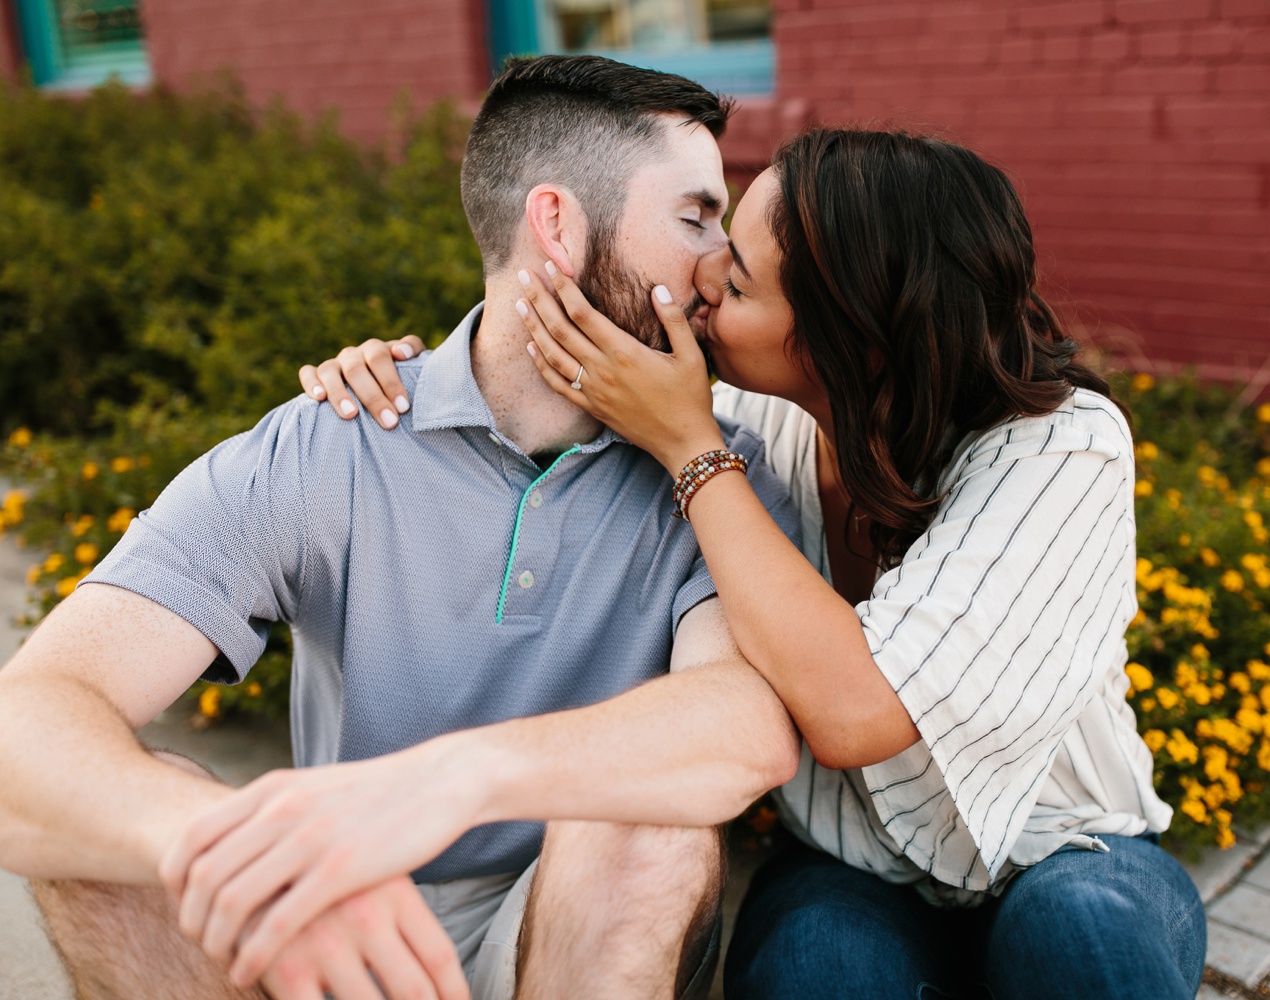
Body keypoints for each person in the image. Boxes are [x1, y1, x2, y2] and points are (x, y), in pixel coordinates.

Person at [322, 128, 1209, 999]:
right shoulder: (758, 412)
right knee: (815, 969)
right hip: (849, 859)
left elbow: (858, 714)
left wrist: (691, 450)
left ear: (848, 341)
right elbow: (547, 375)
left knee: (1079, 935)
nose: (704, 277)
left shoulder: (1061, 452)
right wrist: (401, 378)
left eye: (738, 277)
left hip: (1061, 846)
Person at [0, 55, 805, 1000]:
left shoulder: (717, 474)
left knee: (647, 820)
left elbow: (743, 726)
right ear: (558, 225)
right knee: (106, 836)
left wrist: (449, 782)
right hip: (325, 919)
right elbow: (33, 715)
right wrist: (225, 847)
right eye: (694, 217)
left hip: (561, 917)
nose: (718, 263)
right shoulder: (335, 443)